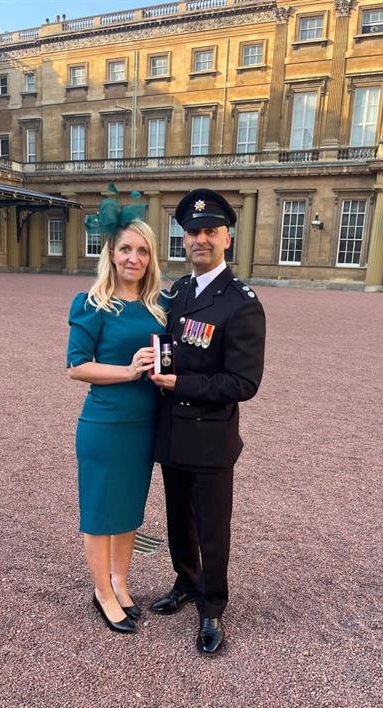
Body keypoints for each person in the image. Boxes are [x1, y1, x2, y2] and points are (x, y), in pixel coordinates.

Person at [150, 188, 266, 655]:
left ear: (227, 239)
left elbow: (243, 382)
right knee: (179, 517)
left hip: (210, 435)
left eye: (210, 231)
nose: (200, 238)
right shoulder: (176, 292)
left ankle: (213, 605)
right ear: (183, 239)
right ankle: (185, 581)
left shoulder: (240, 303)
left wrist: (180, 384)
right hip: (173, 433)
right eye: (192, 231)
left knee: (213, 526)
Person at [67, 201, 167, 635]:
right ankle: (102, 592)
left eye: (142, 251)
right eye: (126, 249)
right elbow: (76, 365)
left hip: (144, 425)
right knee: (99, 512)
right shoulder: (93, 304)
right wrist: (128, 371)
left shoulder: (157, 306)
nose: (134, 258)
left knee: (127, 510)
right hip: (106, 424)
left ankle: (121, 582)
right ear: (110, 253)